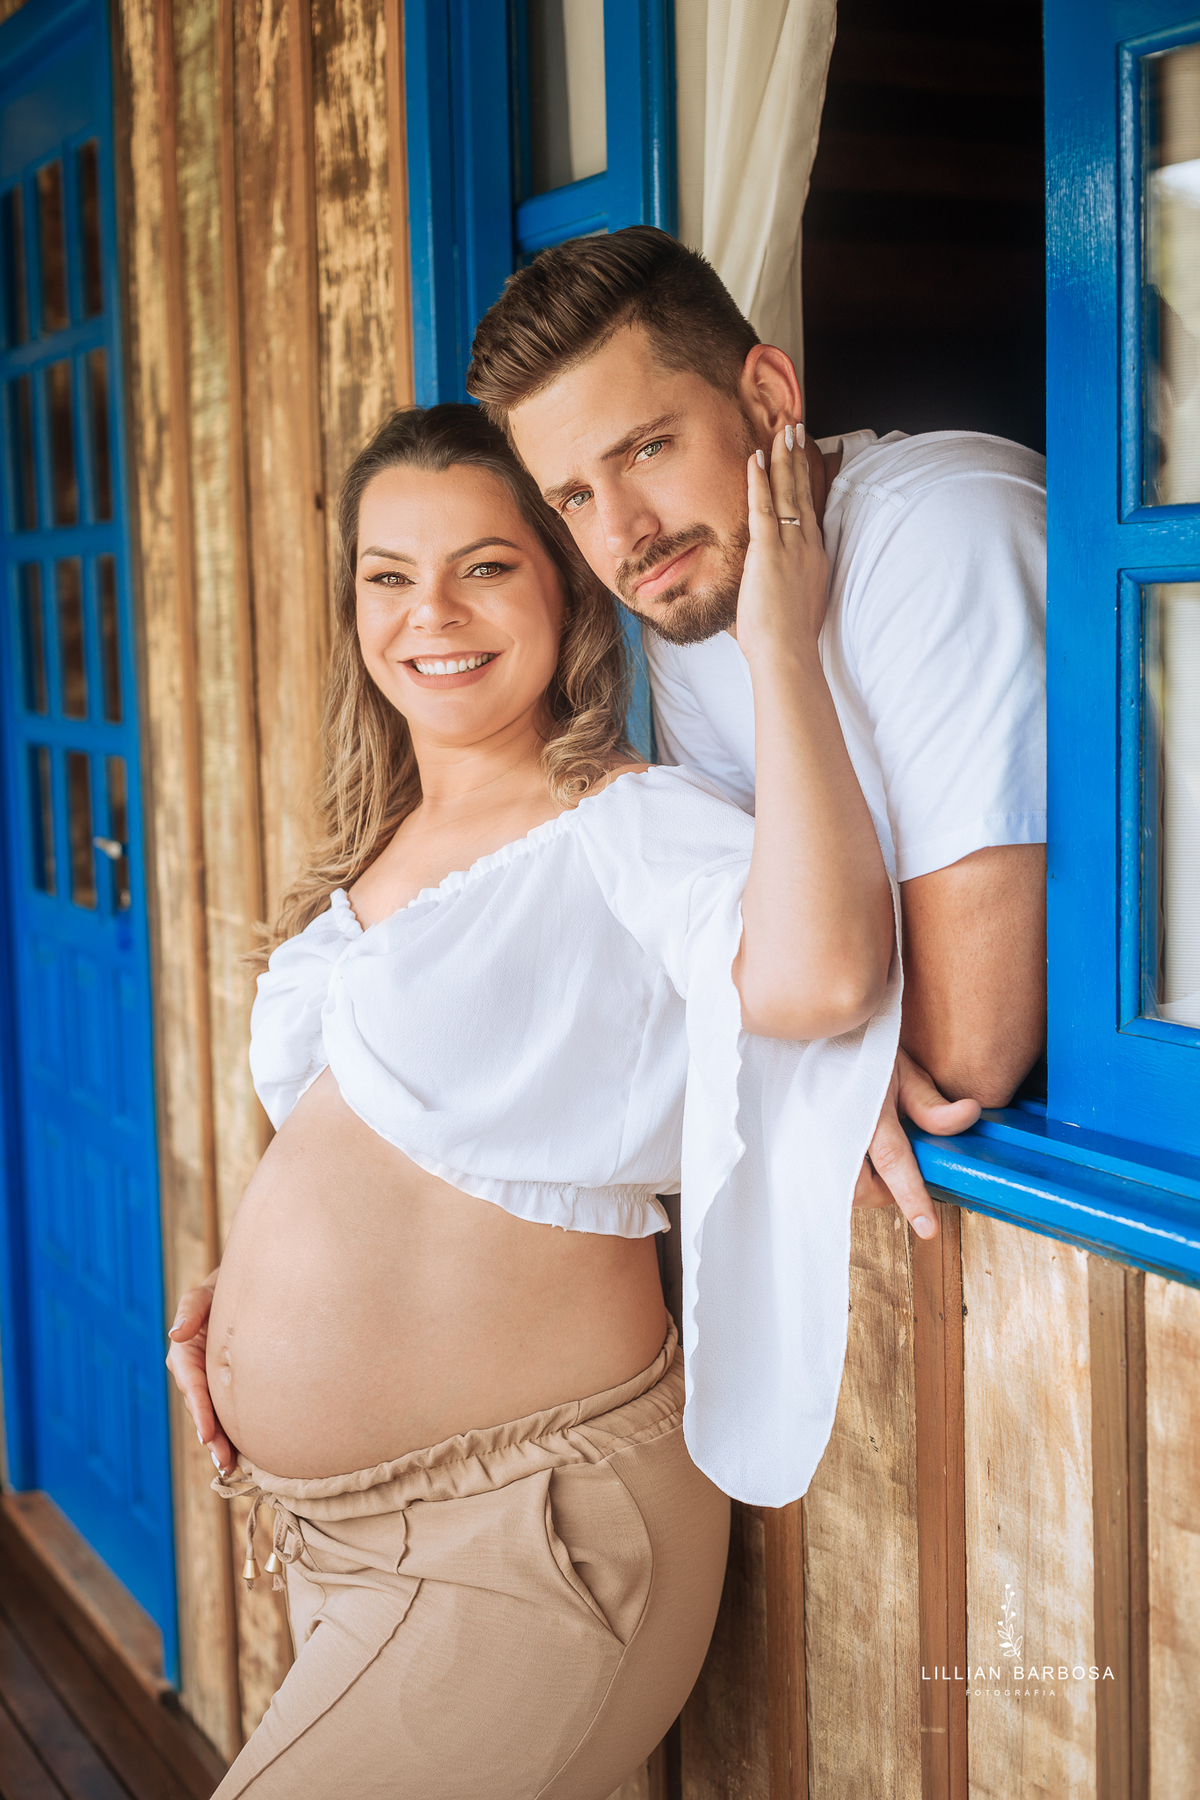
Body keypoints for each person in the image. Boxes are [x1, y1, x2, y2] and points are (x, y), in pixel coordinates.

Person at [167, 403, 899, 1798]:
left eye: (486, 565)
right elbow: (406, 1148)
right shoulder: (378, 849)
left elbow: (815, 978)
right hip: (334, 1540)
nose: (428, 611)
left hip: (526, 1529)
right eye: (389, 574)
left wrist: (778, 651)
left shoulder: (621, 823)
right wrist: (253, 1289)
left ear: (565, 589)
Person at [467, 226, 1048, 1240]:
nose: (621, 536)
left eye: (647, 450)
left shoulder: (945, 534)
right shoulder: (691, 601)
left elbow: (966, 1049)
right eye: (572, 498)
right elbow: (754, 942)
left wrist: (779, 652)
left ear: (770, 399)